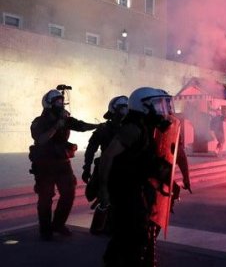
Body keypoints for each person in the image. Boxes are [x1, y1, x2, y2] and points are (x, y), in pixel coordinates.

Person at [98, 87, 176, 267]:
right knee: (132, 232)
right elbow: (108, 156)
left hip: (133, 185)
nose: (161, 110)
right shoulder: (133, 128)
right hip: (124, 188)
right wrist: (103, 189)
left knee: (126, 233)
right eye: (157, 105)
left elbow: (143, 159)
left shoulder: (144, 126)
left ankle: (113, 261)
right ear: (144, 107)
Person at [29, 88, 99, 240]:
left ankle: (58, 224)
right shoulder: (39, 122)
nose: (61, 104)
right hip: (45, 164)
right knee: (45, 197)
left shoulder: (65, 120)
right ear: (49, 104)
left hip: (62, 163)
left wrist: (98, 126)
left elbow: (81, 126)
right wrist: (56, 125)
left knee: (69, 193)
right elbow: (41, 139)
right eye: (58, 102)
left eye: (62, 101)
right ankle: (45, 230)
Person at [83, 95, 129, 235]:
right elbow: (91, 149)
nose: (126, 111)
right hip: (107, 168)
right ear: (114, 110)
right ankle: (99, 227)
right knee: (105, 199)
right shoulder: (103, 129)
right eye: (123, 108)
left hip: (123, 169)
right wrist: (86, 168)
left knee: (122, 200)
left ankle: (115, 227)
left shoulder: (129, 128)